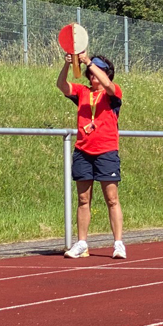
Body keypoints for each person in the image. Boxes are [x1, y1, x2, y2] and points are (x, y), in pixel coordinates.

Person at [57, 51, 125, 260]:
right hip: (83, 151)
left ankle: (118, 243)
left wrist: (88, 61)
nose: (93, 74)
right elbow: (62, 85)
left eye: (98, 70)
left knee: (111, 199)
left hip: (106, 151)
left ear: (106, 73)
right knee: (83, 199)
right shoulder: (82, 92)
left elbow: (109, 86)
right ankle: (82, 243)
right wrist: (67, 65)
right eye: (91, 71)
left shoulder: (113, 92)